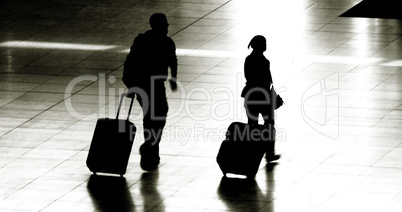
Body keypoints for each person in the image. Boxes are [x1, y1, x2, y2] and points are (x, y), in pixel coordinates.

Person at [124, 13, 178, 171]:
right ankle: (150, 148)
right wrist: (173, 79)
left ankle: (151, 149)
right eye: (166, 24)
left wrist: (129, 82)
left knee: (150, 117)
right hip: (154, 85)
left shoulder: (141, 39)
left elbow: (131, 60)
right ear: (160, 25)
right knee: (159, 115)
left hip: (141, 84)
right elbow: (172, 61)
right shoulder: (167, 42)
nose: (168, 26)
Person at [241, 35, 280, 162]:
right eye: (264, 43)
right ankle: (269, 153)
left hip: (250, 96)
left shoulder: (249, 59)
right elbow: (265, 81)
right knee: (269, 125)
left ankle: (250, 154)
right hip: (263, 98)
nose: (266, 45)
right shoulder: (264, 61)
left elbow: (248, 77)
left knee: (252, 126)